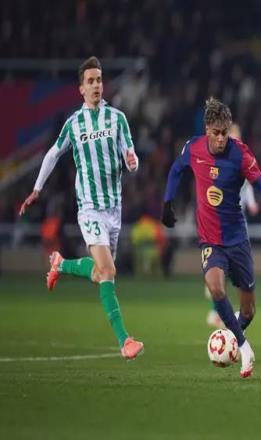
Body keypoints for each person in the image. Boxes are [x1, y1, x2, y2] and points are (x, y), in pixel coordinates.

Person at [19, 56, 144, 360]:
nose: (96, 85)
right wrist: (37, 189)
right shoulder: (74, 124)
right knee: (108, 271)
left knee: (101, 274)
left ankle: (61, 264)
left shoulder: (117, 119)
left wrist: (133, 163)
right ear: (81, 89)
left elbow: (131, 157)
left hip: (114, 210)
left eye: (99, 79)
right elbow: (53, 154)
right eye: (90, 81)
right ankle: (125, 341)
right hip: (89, 209)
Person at [162, 97, 261, 378]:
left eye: (225, 133)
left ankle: (231, 338)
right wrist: (167, 203)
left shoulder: (241, 155)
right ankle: (243, 347)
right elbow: (175, 170)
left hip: (237, 239)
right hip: (210, 240)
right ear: (207, 130)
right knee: (215, 287)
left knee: (248, 310)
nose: (221, 139)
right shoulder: (193, 148)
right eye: (216, 133)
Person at [205, 122, 260, 328]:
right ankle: (216, 311)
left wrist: (252, 203)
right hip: (220, 225)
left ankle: (230, 311)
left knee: (236, 272)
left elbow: (248, 186)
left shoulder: (243, 159)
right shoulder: (218, 161)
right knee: (222, 270)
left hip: (238, 226)